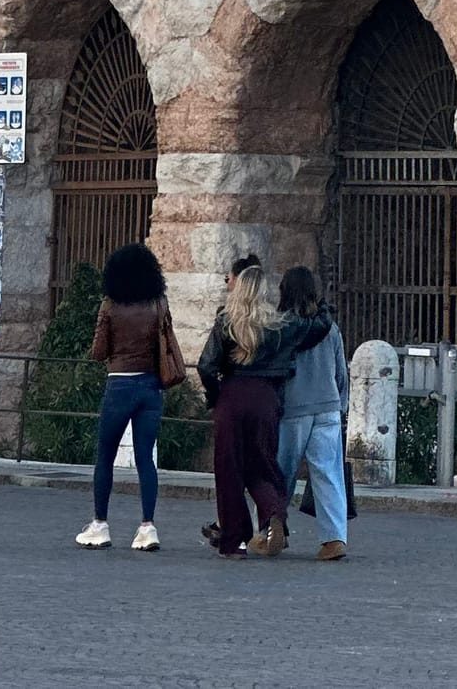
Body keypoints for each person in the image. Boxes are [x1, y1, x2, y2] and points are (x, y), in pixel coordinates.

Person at [196, 254, 330, 559]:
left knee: (229, 470)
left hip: (232, 397)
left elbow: (206, 366)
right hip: (266, 399)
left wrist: (215, 395)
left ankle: (234, 541)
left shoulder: (226, 323)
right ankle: (273, 515)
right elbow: (318, 326)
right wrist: (322, 305)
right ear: (264, 292)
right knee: (263, 465)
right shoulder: (280, 324)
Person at [74, 241, 185, 553]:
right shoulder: (158, 303)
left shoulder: (110, 305)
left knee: (105, 456)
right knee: (145, 458)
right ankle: (148, 526)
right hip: (150, 386)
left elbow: (98, 352)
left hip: (119, 384)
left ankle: (100, 524)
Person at [275, 266, 351, 564]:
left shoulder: (282, 327)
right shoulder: (330, 328)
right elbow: (341, 372)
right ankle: (334, 538)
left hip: (293, 408)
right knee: (328, 475)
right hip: (327, 405)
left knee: (280, 473)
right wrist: (341, 406)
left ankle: (272, 526)